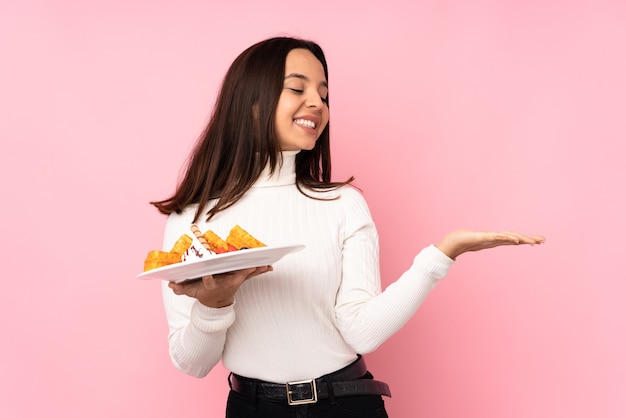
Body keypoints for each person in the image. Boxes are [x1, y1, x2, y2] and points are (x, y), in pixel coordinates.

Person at [150, 36, 545, 418]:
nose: (316, 104)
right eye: (297, 88)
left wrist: (442, 255)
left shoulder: (343, 204)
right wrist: (214, 304)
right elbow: (192, 364)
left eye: (323, 94)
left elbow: (362, 332)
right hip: (251, 409)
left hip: (346, 404)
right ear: (251, 103)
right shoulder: (194, 219)